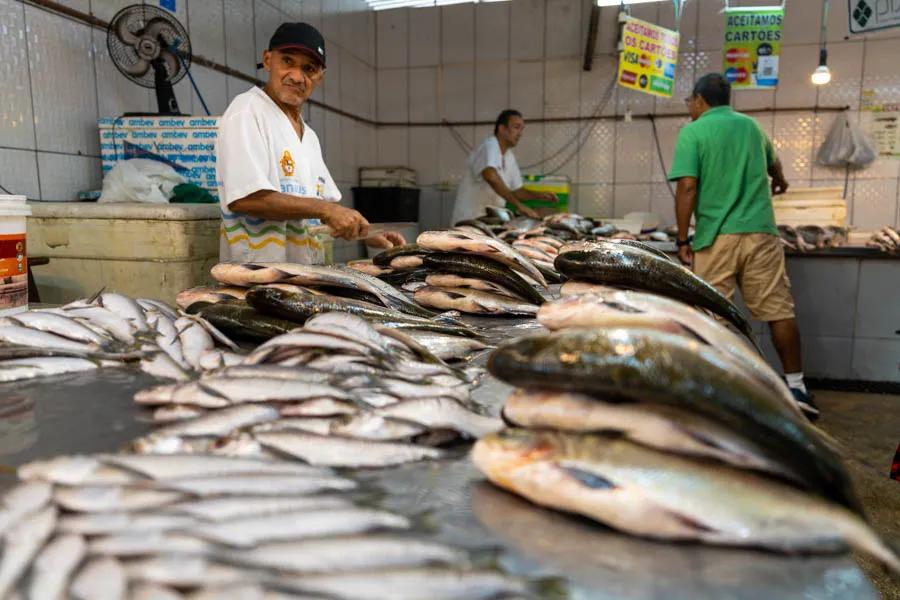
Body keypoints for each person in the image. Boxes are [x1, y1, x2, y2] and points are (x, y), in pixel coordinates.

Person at [668, 73, 818, 420]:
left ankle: (713, 388)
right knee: (778, 309)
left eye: (690, 102)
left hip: (717, 236)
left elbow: (688, 187)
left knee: (710, 315)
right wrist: (778, 182)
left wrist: (681, 238)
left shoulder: (694, 131)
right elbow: (775, 166)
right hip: (761, 234)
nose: (690, 108)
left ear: (699, 100)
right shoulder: (752, 128)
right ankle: (797, 388)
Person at [216, 22, 404, 264]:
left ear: (320, 77)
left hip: (304, 277)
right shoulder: (247, 112)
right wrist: (327, 211)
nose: (297, 76)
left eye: (309, 68)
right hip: (256, 278)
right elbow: (245, 197)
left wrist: (366, 232)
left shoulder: (309, 137)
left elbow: (321, 209)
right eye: (287, 61)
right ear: (267, 59)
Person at [451, 109, 558, 224]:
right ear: (502, 129)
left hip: (490, 220)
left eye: (522, 129)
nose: (520, 133)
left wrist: (539, 195)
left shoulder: (509, 156)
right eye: (516, 127)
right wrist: (518, 205)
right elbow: (490, 175)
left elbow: (517, 190)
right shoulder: (490, 145)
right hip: (470, 220)